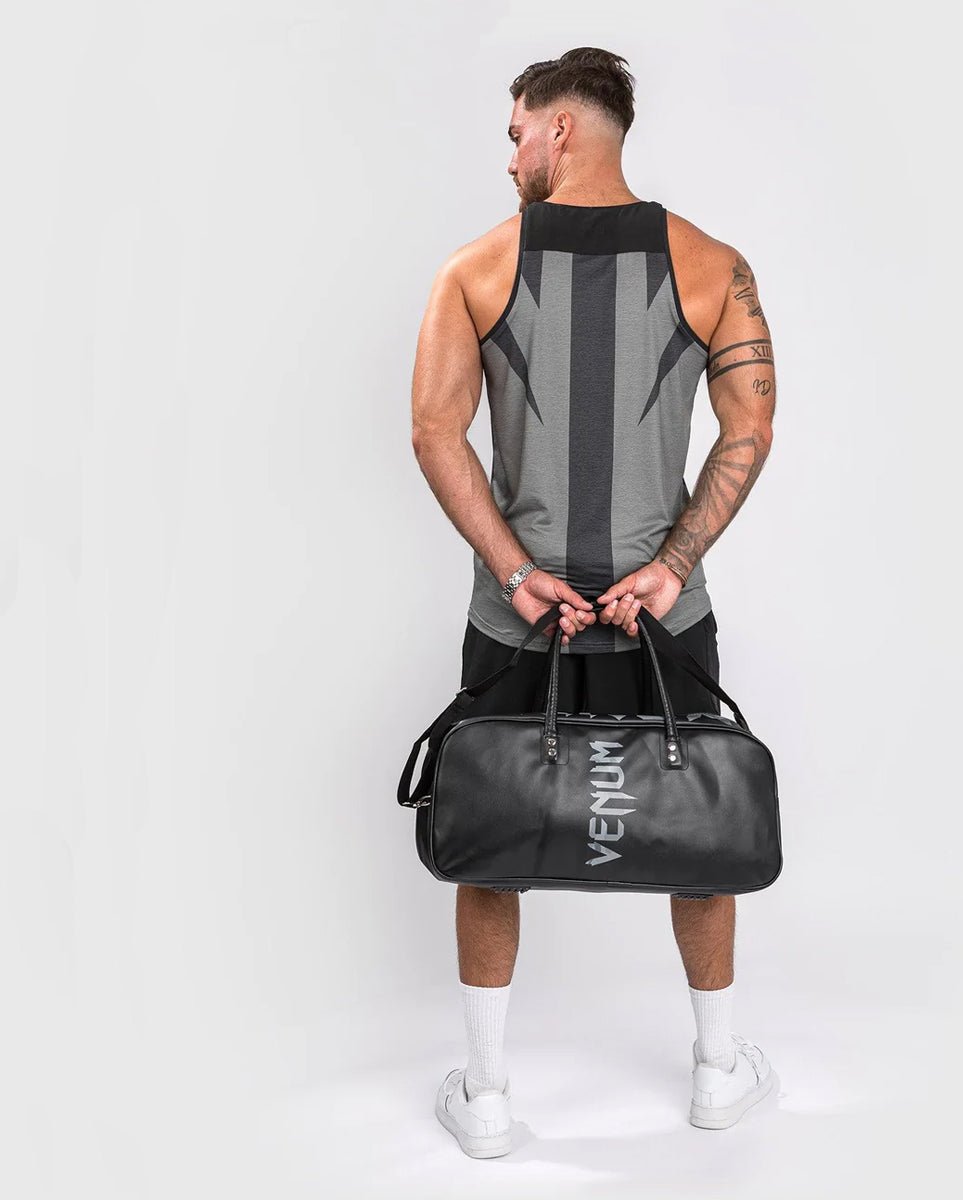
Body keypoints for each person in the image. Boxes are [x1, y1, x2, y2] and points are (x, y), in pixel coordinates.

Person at [410, 47, 776, 1157]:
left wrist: (518, 575)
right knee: (697, 820)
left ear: (560, 130)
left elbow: (434, 431)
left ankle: (487, 1097)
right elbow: (750, 428)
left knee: (490, 830)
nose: (510, 154)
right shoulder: (714, 265)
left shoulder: (474, 268)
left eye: (517, 130)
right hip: (660, 615)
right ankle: (717, 1071)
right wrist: (669, 566)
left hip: (518, 618)